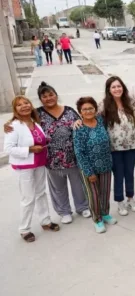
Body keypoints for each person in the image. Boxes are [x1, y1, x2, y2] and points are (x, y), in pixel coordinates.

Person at [4, 82, 90, 223]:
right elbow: (21, 118)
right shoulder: (37, 113)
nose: (49, 98)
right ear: (40, 99)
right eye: (44, 96)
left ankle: (82, 207)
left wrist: (78, 123)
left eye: (51, 95)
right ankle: (64, 212)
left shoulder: (69, 111)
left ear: (56, 95)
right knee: (58, 188)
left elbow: (82, 122)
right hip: (51, 159)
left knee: (78, 184)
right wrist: (7, 124)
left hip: (73, 157)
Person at [4, 96, 60, 242]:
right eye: (19, 105)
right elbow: (8, 148)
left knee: (41, 193)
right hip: (24, 166)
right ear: (15, 109)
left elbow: (36, 138)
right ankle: (24, 229)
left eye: (26, 103)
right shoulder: (13, 125)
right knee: (28, 198)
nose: (24, 106)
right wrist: (29, 149)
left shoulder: (35, 122)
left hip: (39, 163)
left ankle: (45, 221)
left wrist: (45, 140)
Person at [73, 97, 116, 233]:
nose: (88, 111)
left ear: (95, 109)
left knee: (105, 192)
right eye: (84, 109)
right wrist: (88, 172)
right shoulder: (79, 128)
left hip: (105, 165)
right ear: (80, 112)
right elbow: (79, 153)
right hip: (89, 168)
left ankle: (105, 214)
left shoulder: (100, 121)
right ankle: (97, 220)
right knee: (94, 196)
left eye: (91, 108)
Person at [101, 76, 135, 216]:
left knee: (129, 173)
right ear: (109, 90)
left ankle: (130, 198)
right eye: (113, 87)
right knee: (119, 175)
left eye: (119, 86)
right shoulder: (103, 106)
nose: (117, 89)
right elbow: (91, 119)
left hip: (130, 146)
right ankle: (119, 201)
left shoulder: (130, 103)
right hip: (114, 148)